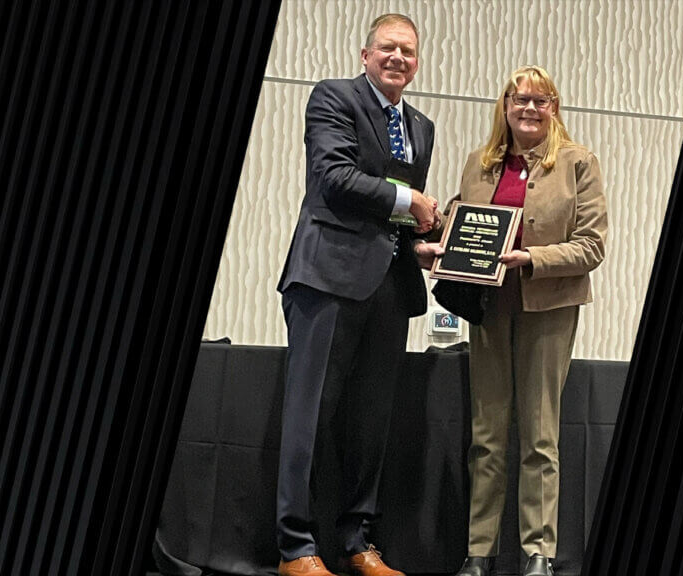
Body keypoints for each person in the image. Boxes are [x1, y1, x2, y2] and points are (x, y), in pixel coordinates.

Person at [275, 13, 442, 576]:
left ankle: (356, 542)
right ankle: (296, 547)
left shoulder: (421, 124)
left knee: (370, 424)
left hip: (391, 288)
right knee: (311, 415)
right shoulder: (333, 98)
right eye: (388, 48)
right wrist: (410, 200)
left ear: (417, 64)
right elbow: (333, 177)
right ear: (366, 54)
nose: (398, 58)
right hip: (326, 278)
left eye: (409, 52)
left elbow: (394, 220)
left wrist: (419, 241)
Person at [445, 66, 607, 576]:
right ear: (506, 106)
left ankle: (539, 553)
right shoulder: (480, 162)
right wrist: (437, 245)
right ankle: (479, 551)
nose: (530, 108)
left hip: (548, 310)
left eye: (541, 100)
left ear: (554, 108)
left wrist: (532, 260)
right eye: (521, 99)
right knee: (486, 434)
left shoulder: (578, 163)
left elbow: (593, 245)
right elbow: (461, 224)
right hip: (489, 308)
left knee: (540, 437)